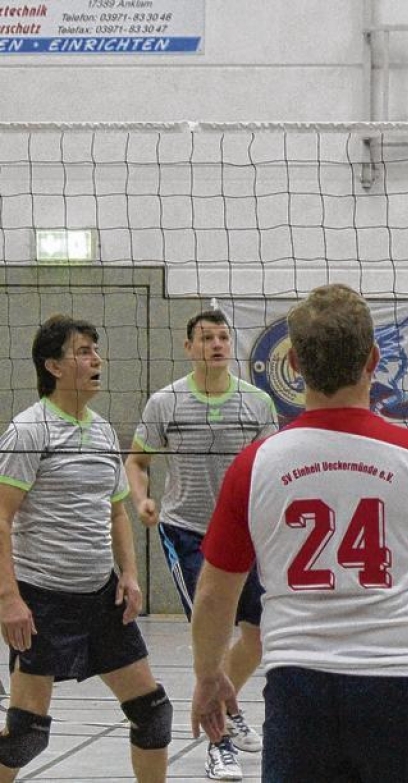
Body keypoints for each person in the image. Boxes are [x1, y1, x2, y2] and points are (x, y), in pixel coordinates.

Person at [188, 283, 408, 783]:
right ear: (374, 358)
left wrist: (208, 676)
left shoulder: (256, 464)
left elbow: (215, 594)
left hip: (298, 689)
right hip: (402, 684)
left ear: (296, 365)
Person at [0, 315, 170, 783]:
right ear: (53, 366)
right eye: (83, 352)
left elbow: (117, 511)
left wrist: (130, 575)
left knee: (153, 714)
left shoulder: (101, 433)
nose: (97, 360)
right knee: (26, 735)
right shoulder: (28, 431)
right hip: (43, 600)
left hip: (101, 597)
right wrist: (9, 599)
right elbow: (1, 517)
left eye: (97, 350)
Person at [126, 309, 277, 781]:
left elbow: (271, 467)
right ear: (189, 346)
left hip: (247, 533)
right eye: (206, 337)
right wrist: (141, 499)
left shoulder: (256, 403)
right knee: (210, 638)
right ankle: (219, 743)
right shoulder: (165, 402)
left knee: (256, 632)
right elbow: (137, 461)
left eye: (223, 336)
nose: (216, 344)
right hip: (187, 531)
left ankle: (225, 707)